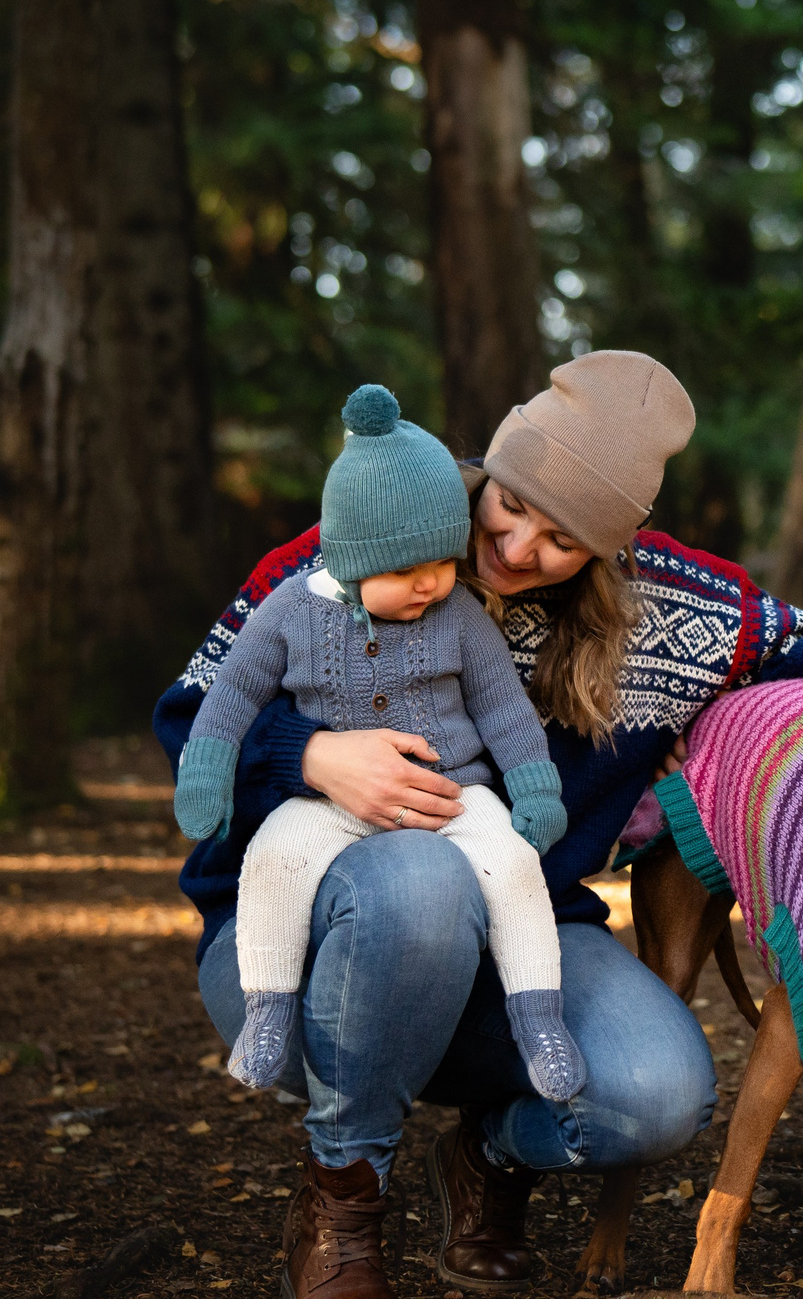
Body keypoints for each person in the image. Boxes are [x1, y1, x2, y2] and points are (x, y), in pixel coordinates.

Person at [153, 351, 803, 1299]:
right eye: (509, 507)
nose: (517, 548)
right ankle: (342, 1205)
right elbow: (191, 717)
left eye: (563, 540)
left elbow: (802, 635)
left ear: (614, 550)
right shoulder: (368, 533)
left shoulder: (679, 613)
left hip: (517, 936)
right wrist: (309, 754)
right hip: (300, 947)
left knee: (657, 1095)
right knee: (417, 876)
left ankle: (484, 1154)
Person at [172, 385, 577, 1102]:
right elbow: (228, 693)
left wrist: (536, 790)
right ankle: (268, 1009)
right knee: (274, 859)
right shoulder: (289, 610)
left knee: (515, 870)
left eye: (443, 564)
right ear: (352, 559)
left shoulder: (458, 617)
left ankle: (538, 1015)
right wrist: (207, 775)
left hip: (455, 792)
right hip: (328, 800)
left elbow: (504, 709)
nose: (430, 585)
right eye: (404, 572)